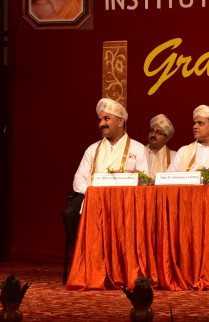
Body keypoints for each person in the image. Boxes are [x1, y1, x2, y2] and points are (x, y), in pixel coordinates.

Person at [63, 99, 149, 240]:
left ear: (120, 122)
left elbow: (145, 180)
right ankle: (83, 251)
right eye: (100, 120)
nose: (101, 124)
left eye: (106, 119)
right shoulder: (92, 149)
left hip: (125, 200)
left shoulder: (138, 148)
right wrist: (89, 191)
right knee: (69, 213)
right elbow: (79, 177)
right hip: (92, 195)